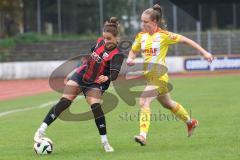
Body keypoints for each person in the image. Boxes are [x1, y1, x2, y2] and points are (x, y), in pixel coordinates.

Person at [126, 4, 213, 146]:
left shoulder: (164, 36)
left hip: (160, 76)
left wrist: (204, 52)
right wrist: (130, 58)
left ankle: (143, 136)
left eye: (145, 22)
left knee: (144, 102)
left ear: (154, 22)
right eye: (142, 21)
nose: (142, 24)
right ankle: (190, 122)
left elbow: (186, 40)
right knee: (168, 104)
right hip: (150, 77)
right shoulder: (141, 36)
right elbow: (133, 50)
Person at [34, 17, 124, 152]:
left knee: (95, 106)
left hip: (95, 82)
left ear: (116, 38)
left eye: (109, 39)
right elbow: (92, 53)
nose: (105, 41)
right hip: (81, 75)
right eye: (104, 37)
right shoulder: (100, 42)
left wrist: (106, 77)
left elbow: (115, 74)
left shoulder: (117, 55)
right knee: (65, 101)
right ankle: (41, 130)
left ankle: (105, 142)